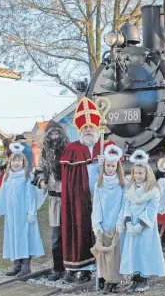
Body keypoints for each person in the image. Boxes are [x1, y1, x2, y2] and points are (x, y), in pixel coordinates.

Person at [60, 97, 114, 283]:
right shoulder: (72, 149)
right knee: (80, 229)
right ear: (80, 130)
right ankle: (83, 267)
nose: (88, 130)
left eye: (91, 126)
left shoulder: (107, 146)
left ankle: (105, 267)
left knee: (102, 230)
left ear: (98, 127)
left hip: (103, 197)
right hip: (80, 197)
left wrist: (106, 162)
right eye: (85, 128)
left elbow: (118, 171)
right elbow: (68, 179)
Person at [0, 143, 45, 277]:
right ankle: (17, 264)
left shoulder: (28, 177)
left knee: (25, 237)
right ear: (10, 162)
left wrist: (31, 212)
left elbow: (31, 196)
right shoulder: (7, 177)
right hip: (12, 214)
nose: (16, 163)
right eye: (14, 161)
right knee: (13, 237)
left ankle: (26, 265)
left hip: (24, 214)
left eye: (19, 161)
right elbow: (2, 195)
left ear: (23, 162)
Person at [120, 150, 165, 292]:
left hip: (145, 227)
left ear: (147, 173)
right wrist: (128, 222)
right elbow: (127, 205)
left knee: (144, 251)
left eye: (141, 173)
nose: (138, 176)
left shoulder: (153, 190)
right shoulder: (131, 188)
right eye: (135, 173)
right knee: (133, 251)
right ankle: (135, 278)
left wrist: (139, 226)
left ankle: (143, 279)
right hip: (132, 225)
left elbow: (151, 211)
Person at [34, 120, 69, 281]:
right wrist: (42, 181)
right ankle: (57, 268)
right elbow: (40, 170)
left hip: (68, 198)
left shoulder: (68, 150)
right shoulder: (45, 152)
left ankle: (71, 267)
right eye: (52, 134)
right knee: (56, 236)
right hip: (54, 198)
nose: (54, 137)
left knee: (69, 234)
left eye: (57, 133)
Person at [90, 144, 127, 294]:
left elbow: (124, 205)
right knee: (104, 254)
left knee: (116, 253)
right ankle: (104, 279)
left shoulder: (122, 184)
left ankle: (115, 281)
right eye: (108, 166)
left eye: (113, 166)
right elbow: (97, 205)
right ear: (104, 166)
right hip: (103, 223)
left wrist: (120, 221)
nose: (110, 168)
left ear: (117, 166)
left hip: (116, 223)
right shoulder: (99, 185)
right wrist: (96, 223)